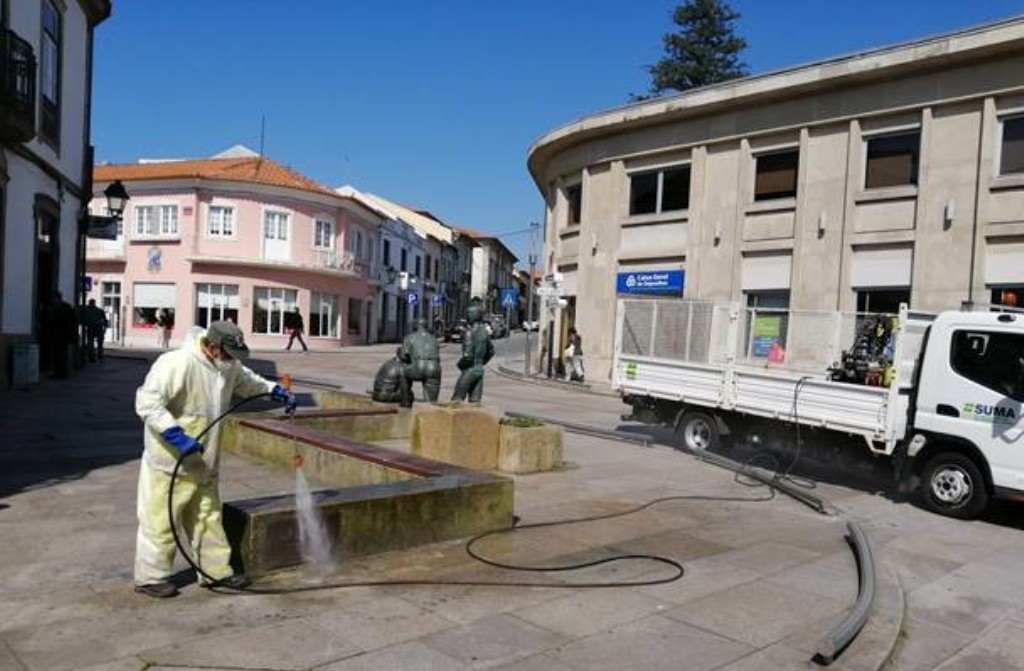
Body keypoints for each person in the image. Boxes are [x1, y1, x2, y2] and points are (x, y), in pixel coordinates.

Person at [133, 321, 297, 598]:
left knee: (208, 518)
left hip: (205, 462)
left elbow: (249, 382)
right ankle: (150, 577)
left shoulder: (228, 366)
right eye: (229, 353)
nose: (233, 360)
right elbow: (147, 402)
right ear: (212, 346)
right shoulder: (177, 363)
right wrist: (175, 434)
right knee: (160, 520)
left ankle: (215, 573)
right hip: (170, 462)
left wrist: (275, 390)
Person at [451, 297, 495, 403]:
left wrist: (460, 365)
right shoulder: (484, 332)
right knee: (475, 402)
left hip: (470, 370)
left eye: (470, 313)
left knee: (456, 400)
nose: (467, 315)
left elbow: (467, 356)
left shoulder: (469, 332)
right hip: (479, 370)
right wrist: (481, 363)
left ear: (475, 315)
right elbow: (491, 351)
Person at [401, 318, 442, 402]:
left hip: (418, 366)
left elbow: (404, 357)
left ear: (416, 326)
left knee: (402, 371)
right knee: (431, 398)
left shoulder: (409, 337)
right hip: (434, 367)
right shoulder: (433, 338)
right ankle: (431, 406)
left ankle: (405, 400)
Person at [49, 292, 76, 379]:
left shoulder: (65, 307)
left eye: (55, 298)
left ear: (58, 298)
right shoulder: (57, 307)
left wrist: (70, 331)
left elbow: (73, 320)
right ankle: (58, 373)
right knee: (57, 354)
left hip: (63, 334)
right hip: (57, 334)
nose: (54, 300)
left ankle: (61, 374)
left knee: (61, 354)